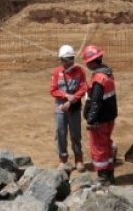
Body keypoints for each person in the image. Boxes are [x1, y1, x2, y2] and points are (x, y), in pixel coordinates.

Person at [81, 44, 118, 185]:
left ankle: (102, 178)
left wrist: (91, 120)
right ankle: (109, 174)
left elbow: (96, 102)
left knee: (98, 148)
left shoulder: (98, 79)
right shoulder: (107, 73)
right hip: (109, 118)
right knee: (107, 145)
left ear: (92, 62)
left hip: (100, 120)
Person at [49, 44, 88, 172]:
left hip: (74, 107)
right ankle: (63, 159)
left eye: (71, 58)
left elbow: (83, 88)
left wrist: (72, 100)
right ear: (61, 60)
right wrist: (66, 95)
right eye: (67, 59)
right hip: (60, 108)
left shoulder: (79, 71)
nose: (70, 61)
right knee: (60, 132)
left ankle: (79, 159)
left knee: (75, 134)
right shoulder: (56, 73)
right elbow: (53, 90)